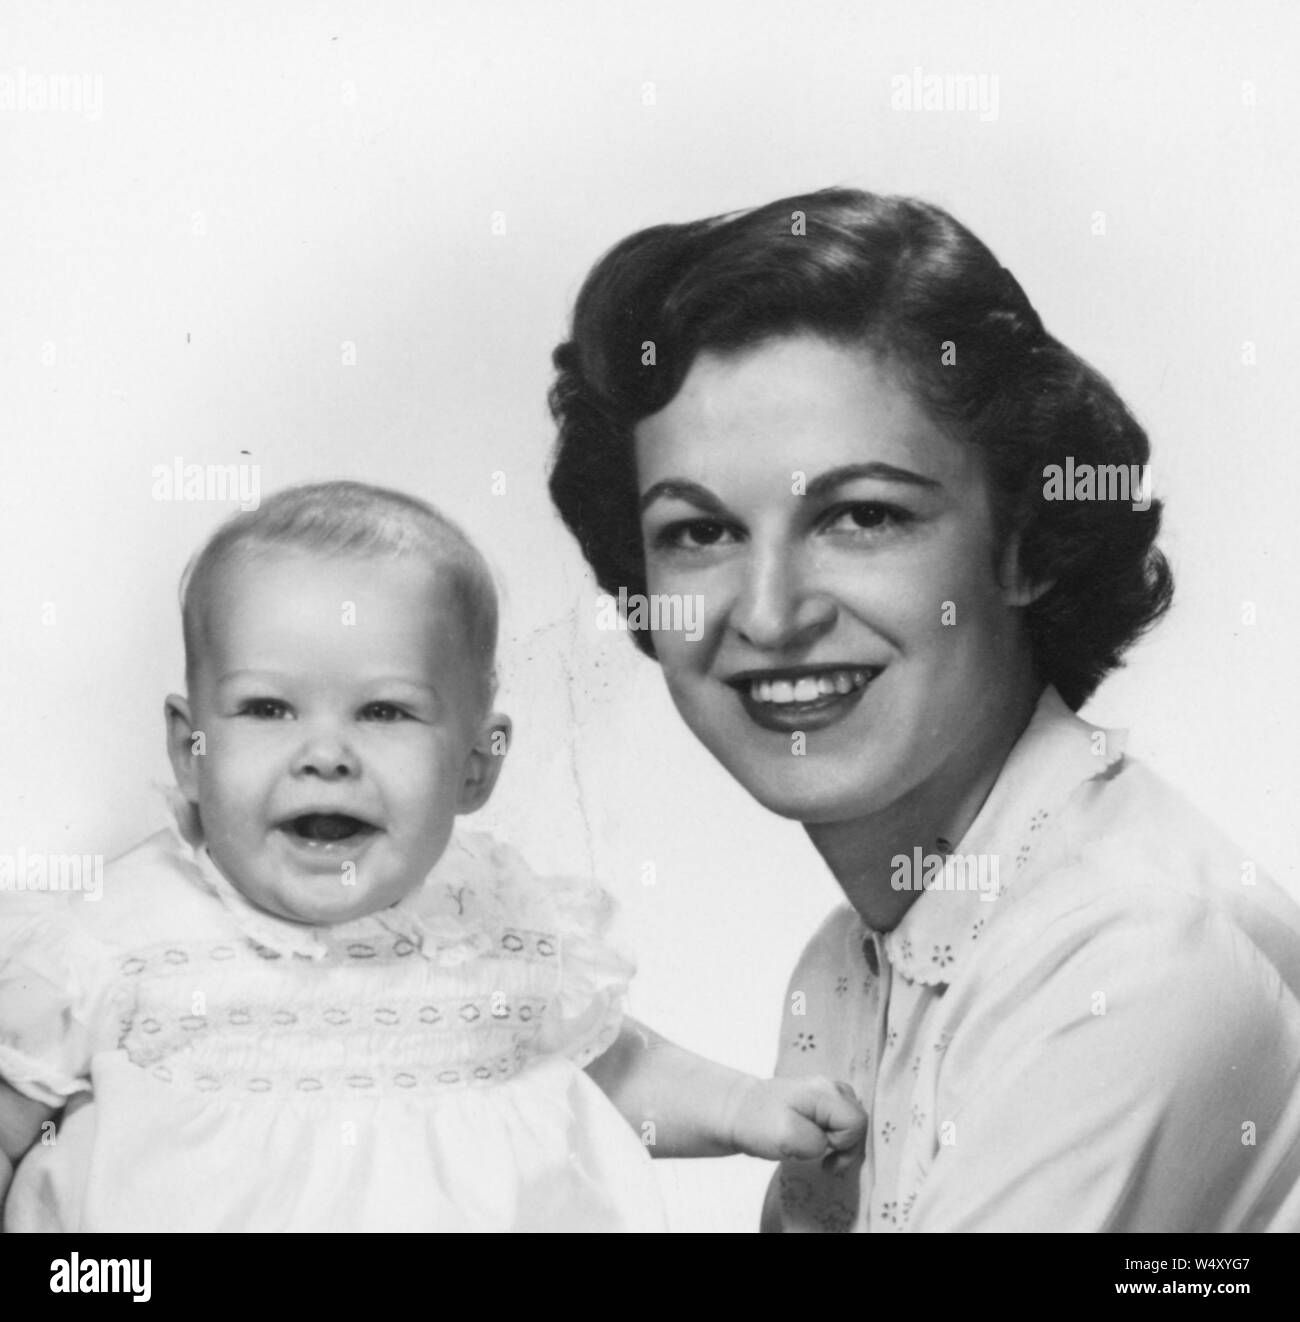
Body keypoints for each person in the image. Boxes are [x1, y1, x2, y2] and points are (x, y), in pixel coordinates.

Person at [547, 188, 1300, 1232]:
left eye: (862, 515)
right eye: (699, 532)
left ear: (1025, 544)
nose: (768, 613)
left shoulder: (1133, 954)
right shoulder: (846, 963)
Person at [0, 480, 866, 1232]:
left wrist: (740, 1106)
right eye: (268, 709)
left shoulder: (495, 920)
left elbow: (609, 1067)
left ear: (476, 765)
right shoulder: (112, 940)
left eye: (383, 713)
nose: (325, 754)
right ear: (192, 748)